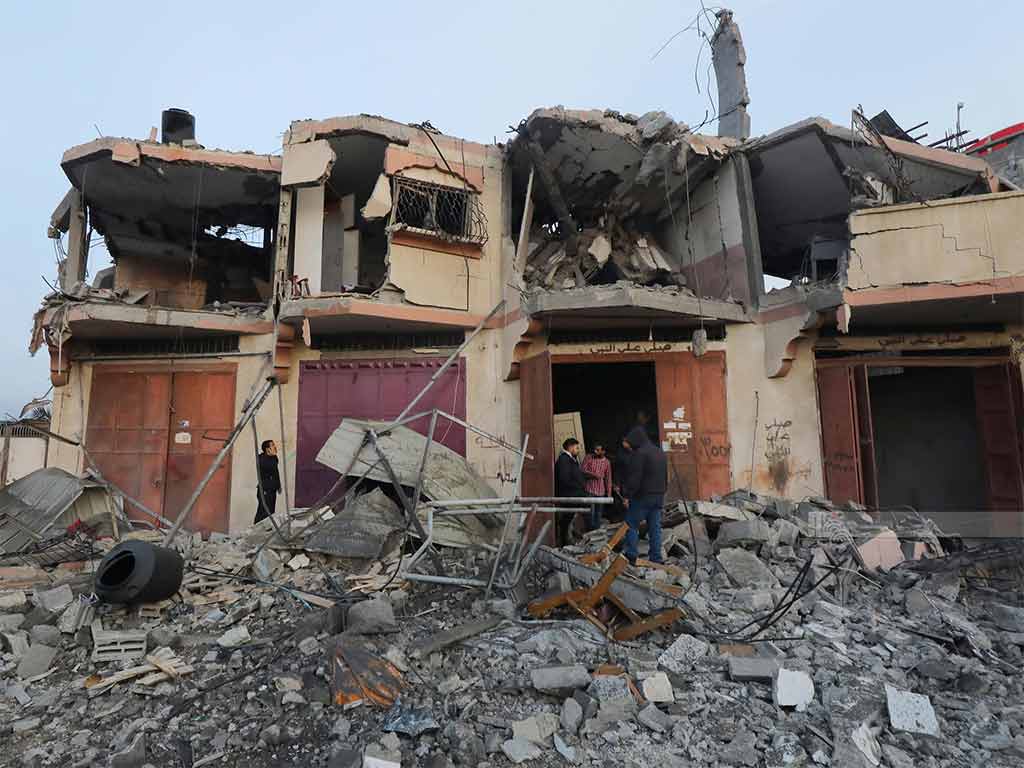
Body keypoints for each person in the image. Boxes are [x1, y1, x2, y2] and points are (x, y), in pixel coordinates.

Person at [620, 425, 667, 566]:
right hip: (659, 496)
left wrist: (627, 495)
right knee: (655, 528)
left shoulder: (639, 454)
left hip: (643, 496)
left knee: (631, 524)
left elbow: (635, 479)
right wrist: (662, 491)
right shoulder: (659, 452)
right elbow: (666, 475)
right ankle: (656, 558)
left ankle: (631, 556)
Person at [554, 437, 587, 546]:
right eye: (577, 448)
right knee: (567, 520)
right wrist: (579, 488)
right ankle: (566, 543)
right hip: (569, 495)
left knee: (568, 519)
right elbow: (565, 479)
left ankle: (568, 541)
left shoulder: (571, 460)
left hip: (572, 495)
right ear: (570, 447)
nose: (578, 450)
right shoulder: (564, 460)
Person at [581, 443, 613, 531]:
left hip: (601, 491)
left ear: (603, 451)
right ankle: (589, 532)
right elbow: (582, 470)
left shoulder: (607, 462)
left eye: (598, 450)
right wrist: (593, 475)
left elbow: (608, 478)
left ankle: (596, 533)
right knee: (589, 513)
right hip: (589, 490)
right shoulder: (588, 458)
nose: (596, 452)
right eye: (595, 449)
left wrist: (609, 493)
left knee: (598, 514)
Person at [256, 439, 281, 523]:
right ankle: (255, 529)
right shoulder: (261, 459)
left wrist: (278, 485)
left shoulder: (273, 458)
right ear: (267, 449)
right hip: (265, 490)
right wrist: (272, 457)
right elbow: (269, 468)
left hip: (272, 489)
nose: (275, 447)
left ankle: (268, 529)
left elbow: (276, 472)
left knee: (271, 512)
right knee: (262, 513)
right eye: (272, 445)